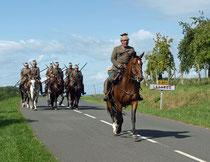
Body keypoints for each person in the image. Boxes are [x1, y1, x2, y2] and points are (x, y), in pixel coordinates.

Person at [103, 33, 143, 101]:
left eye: (127, 40)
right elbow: (112, 59)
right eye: (124, 41)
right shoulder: (116, 49)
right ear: (121, 42)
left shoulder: (131, 49)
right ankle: (107, 94)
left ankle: (137, 94)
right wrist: (118, 65)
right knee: (110, 79)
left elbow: (135, 58)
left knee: (136, 79)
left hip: (127, 69)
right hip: (116, 68)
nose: (125, 42)